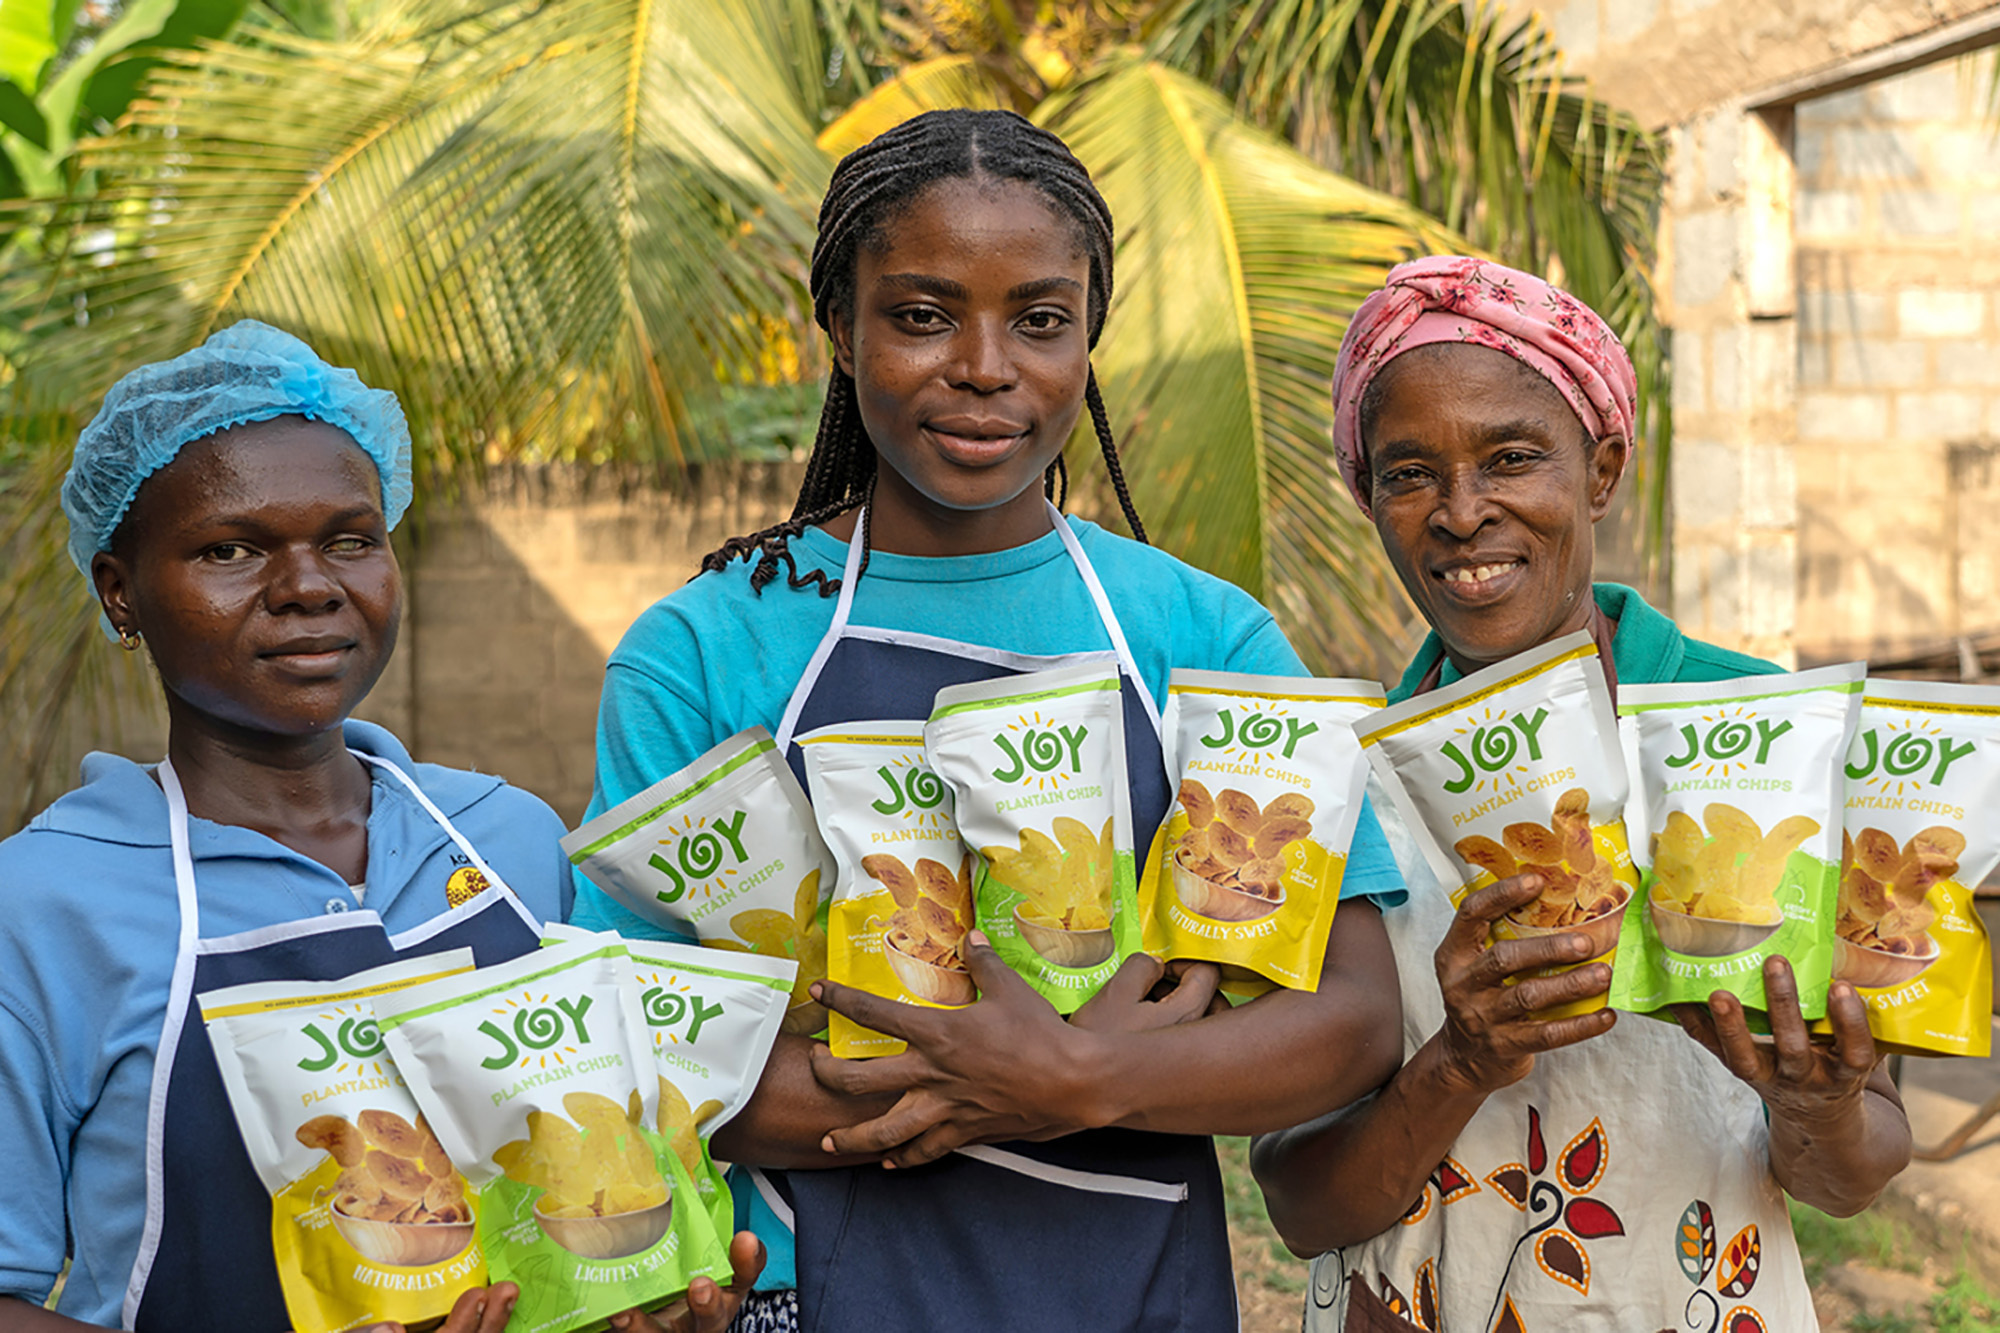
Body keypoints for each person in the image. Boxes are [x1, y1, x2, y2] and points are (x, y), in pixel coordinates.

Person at [570, 108, 1409, 1332]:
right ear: (841, 334)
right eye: (919, 315)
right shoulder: (706, 649)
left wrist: (1080, 1075)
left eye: (1039, 318)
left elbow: (1349, 1019)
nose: (983, 365)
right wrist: (1007, 1083)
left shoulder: (1197, 636)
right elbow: (643, 1057)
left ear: (1086, 340)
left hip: (1134, 1297)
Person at [0, 324, 759, 1333]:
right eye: (230, 549)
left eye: (350, 539)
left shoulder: (508, 841)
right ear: (120, 590)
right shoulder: (46, 906)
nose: (310, 586)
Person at [1252, 256, 1914, 1331]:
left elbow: (1853, 1171)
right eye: (1407, 473)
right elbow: (1296, 1199)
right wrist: (1459, 1061)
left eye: (1511, 457)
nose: (1460, 514)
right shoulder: (1328, 781)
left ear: (1598, 469)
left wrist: (1815, 1109)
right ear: (1364, 495)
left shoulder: (1761, 735)